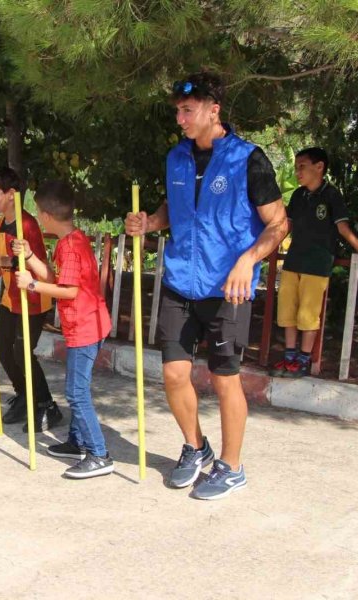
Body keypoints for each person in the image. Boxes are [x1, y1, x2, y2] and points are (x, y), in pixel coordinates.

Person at [124, 71, 288, 500]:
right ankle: (195, 448)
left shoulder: (248, 159)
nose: (180, 118)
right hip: (182, 281)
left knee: (224, 378)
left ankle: (232, 467)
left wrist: (247, 261)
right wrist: (151, 222)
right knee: (174, 373)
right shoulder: (176, 158)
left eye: (188, 110)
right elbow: (173, 208)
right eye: (177, 110)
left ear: (213, 110)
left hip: (227, 288)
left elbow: (278, 223)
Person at [13, 181, 114, 479]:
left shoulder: (70, 247)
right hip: (86, 324)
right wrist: (31, 257)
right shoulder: (72, 240)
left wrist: (30, 284)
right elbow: (57, 279)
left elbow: (67, 291)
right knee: (76, 387)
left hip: (85, 327)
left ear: (45, 216)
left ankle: (99, 454)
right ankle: (77, 442)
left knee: (76, 392)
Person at [0, 168, 62, 433]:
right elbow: (0, 264)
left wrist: (6, 261)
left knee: (22, 352)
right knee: (4, 348)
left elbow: (39, 267)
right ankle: (24, 394)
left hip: (33, 298)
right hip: (11, 298)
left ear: (11, 195)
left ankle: (46, 404)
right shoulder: (0, 223)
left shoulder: (26, 225)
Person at [269, 147, 358, 378]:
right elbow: (285, 225)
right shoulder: (298, 196)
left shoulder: (331, 195)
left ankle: (303, 360)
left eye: (302, 166)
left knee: (308, 314)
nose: (297, 171)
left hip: (317, 263)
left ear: (319, 167)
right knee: (287, 310)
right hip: (293, 261)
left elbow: (342, 228)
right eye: (296, 166)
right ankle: (289, 357)